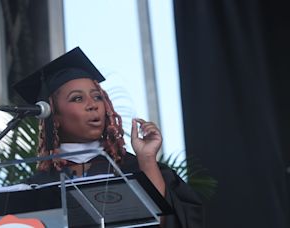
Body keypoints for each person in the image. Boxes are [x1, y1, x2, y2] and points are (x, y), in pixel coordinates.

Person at [13, 47, 203, 228]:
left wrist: (146, 160)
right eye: (77, 98)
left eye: (97, 97)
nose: (92, 105)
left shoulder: (132, 167)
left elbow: (171, 223)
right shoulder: (37, 187)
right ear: (54, 115)